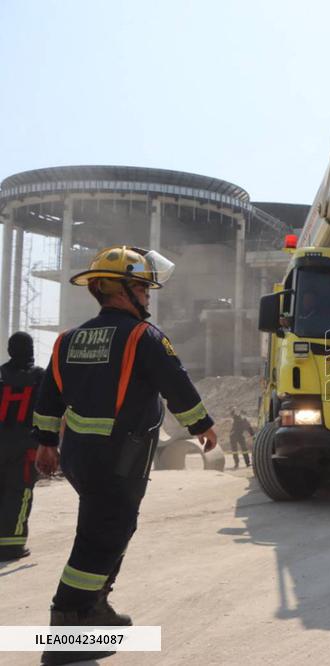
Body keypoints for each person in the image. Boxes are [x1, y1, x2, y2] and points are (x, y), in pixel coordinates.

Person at [31, 246, 218, 662]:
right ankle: (67, 628)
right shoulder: (142, 336)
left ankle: (95, 607)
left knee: (112, 529)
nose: (148, 298)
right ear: (118, 290)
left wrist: (46, 443)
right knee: (100, 538)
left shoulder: (67, 340)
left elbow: (48, 398)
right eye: (141, 289)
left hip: (80, 455)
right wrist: (201, 425)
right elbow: (176, 383)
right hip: (119, 457)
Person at [0, 332, 45, 562]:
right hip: (26, 446)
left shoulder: (0, 374)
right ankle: (12, 546)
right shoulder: (39, 377)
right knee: (20, 493)